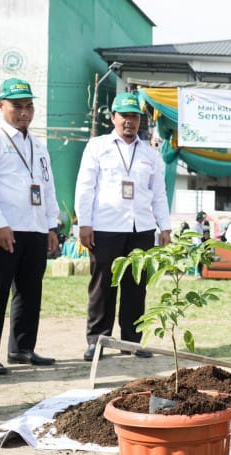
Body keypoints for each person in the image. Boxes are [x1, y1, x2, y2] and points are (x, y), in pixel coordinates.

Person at [75, 92, 172, 362]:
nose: (129, 121)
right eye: (124, 116)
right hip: (105, 227)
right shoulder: (98, 146)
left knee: (136, 286)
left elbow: (159, 194)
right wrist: (85, 223)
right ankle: (97, 340)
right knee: (103, 285)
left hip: (141, 229)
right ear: (113, 118)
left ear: (140, 120)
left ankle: (132, 340)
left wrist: (164, 227)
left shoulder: (150, 154)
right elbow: (85, 186)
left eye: (134, 116)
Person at [0, 78, 59, 374]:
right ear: (1, 106)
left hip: (34, 229)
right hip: (2, 228)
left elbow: (47, 187)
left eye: (29, 106)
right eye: (17, 106)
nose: (24, 113)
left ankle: (22, 348)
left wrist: (50, 226)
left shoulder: (38, 145)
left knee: (29, 291)